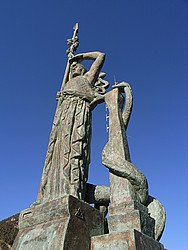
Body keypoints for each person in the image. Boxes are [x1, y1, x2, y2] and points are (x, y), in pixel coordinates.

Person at [37, 52, 106, 203]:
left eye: (77, 67)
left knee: (73, 150)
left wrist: (80, 56)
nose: (74, 68)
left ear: (83, 70)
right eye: (72, 67)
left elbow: (101, 56)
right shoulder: (67, 84)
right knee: (57, 152)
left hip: (77, 113)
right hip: (63, 115)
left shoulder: (87, 78)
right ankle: (50, 194)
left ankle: (72, 189)